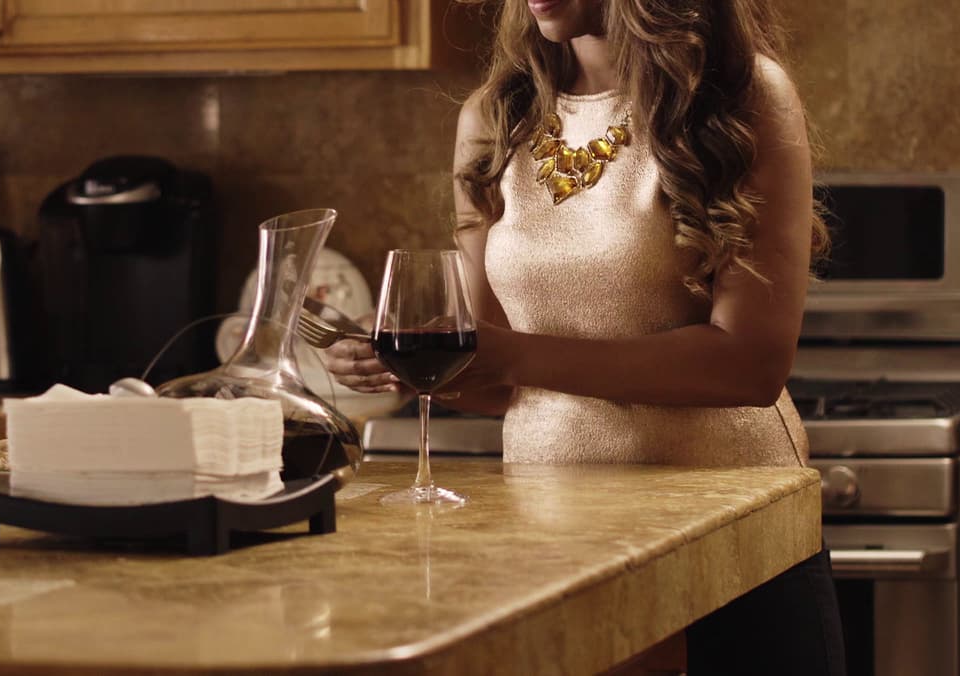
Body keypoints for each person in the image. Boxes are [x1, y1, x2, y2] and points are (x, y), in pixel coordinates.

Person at [324, 0, 846, 673]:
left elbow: (750, 366)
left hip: (732, 545)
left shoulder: (740, 95)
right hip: (556, 549)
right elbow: (498, 381)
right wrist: (411, 371)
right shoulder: (494, 118)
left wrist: (509, 356)